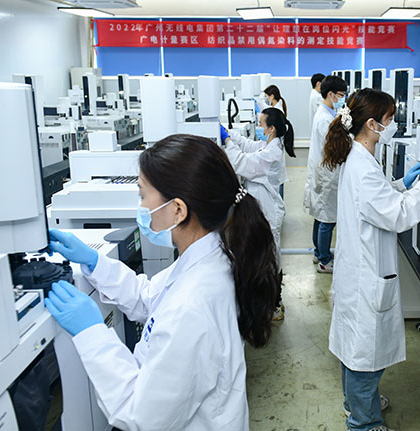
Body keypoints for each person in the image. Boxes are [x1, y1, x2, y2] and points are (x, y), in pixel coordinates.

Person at [44, 134, 281, 431]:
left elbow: (141, 416)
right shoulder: (207, 257)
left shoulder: (193, 304)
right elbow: (149, 298)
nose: (141, 207)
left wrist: (92, 333)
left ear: (178, 210)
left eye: (143, 196)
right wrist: (95, 263)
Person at [322, 89, 420, 431]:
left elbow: (374, 202)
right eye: (389, 119)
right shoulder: (362, 166)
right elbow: (398, 216)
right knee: (364, 354)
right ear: (372, 124)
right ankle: (363, 422)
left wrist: (401, 184)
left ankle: (356, 402)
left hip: (357, 270)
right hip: (365, 276)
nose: (393, 124)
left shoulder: (359, 157)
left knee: (356, 348)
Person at [220, 107, 295, 321]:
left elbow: (243, 163)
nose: (259, 127)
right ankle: (270, 302)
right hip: (263, 210)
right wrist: (228, 133)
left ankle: (274, 305)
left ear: (271, 129)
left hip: (268, 212)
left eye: (261, 124)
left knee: (269, 260)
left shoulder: (272, 153)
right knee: (265, 258)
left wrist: (227, 142)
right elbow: (247, 145)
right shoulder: (268, 144)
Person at [304, 75, 347, 274]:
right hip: (327, 174)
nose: (342, 99)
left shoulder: (328, 113)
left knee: (320, 216)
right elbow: (334, 146)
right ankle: (324, 260)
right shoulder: (324, 119)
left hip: (323, 171)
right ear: (331, 94)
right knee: (327, 219)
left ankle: (318, 252)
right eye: (341, 95)